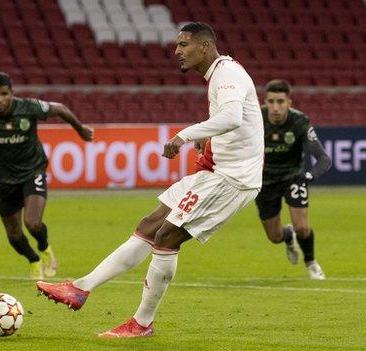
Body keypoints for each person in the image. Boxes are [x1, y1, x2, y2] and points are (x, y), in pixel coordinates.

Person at [36, 22, 264, 338]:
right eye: (177, 45)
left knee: (167, 237)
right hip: (213, 172)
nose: (177, 51)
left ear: (205, 46)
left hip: (230, 179)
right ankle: (79, 288)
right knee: (150, 225)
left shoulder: (226, 73)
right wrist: (207, 138)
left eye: (184, 44)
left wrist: (185, 136)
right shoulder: (221, 75)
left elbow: (232, 117)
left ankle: (142, 323)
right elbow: (234, 122)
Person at [0, 72, 94, 279]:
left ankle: (45, 248)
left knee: (33, 223)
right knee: (14, 235)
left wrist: (80, 129)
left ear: (11, 93)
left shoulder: (28, 107)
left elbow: (61, 109)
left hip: (32, 171)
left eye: (3, 94)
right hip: (3, 180)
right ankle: (33, 259)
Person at [256, 79, 331, 280]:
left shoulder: (300, 121)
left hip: (293, 177)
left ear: (289, 102)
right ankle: (287, 236)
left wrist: (309, 176)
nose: (276, 108)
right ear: (265, 102)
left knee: (303, 227)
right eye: (271, 102)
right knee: (274, 237)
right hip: (264, 182)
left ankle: (311, 263)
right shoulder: (255, 117)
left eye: (280, 101)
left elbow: (324, 158)